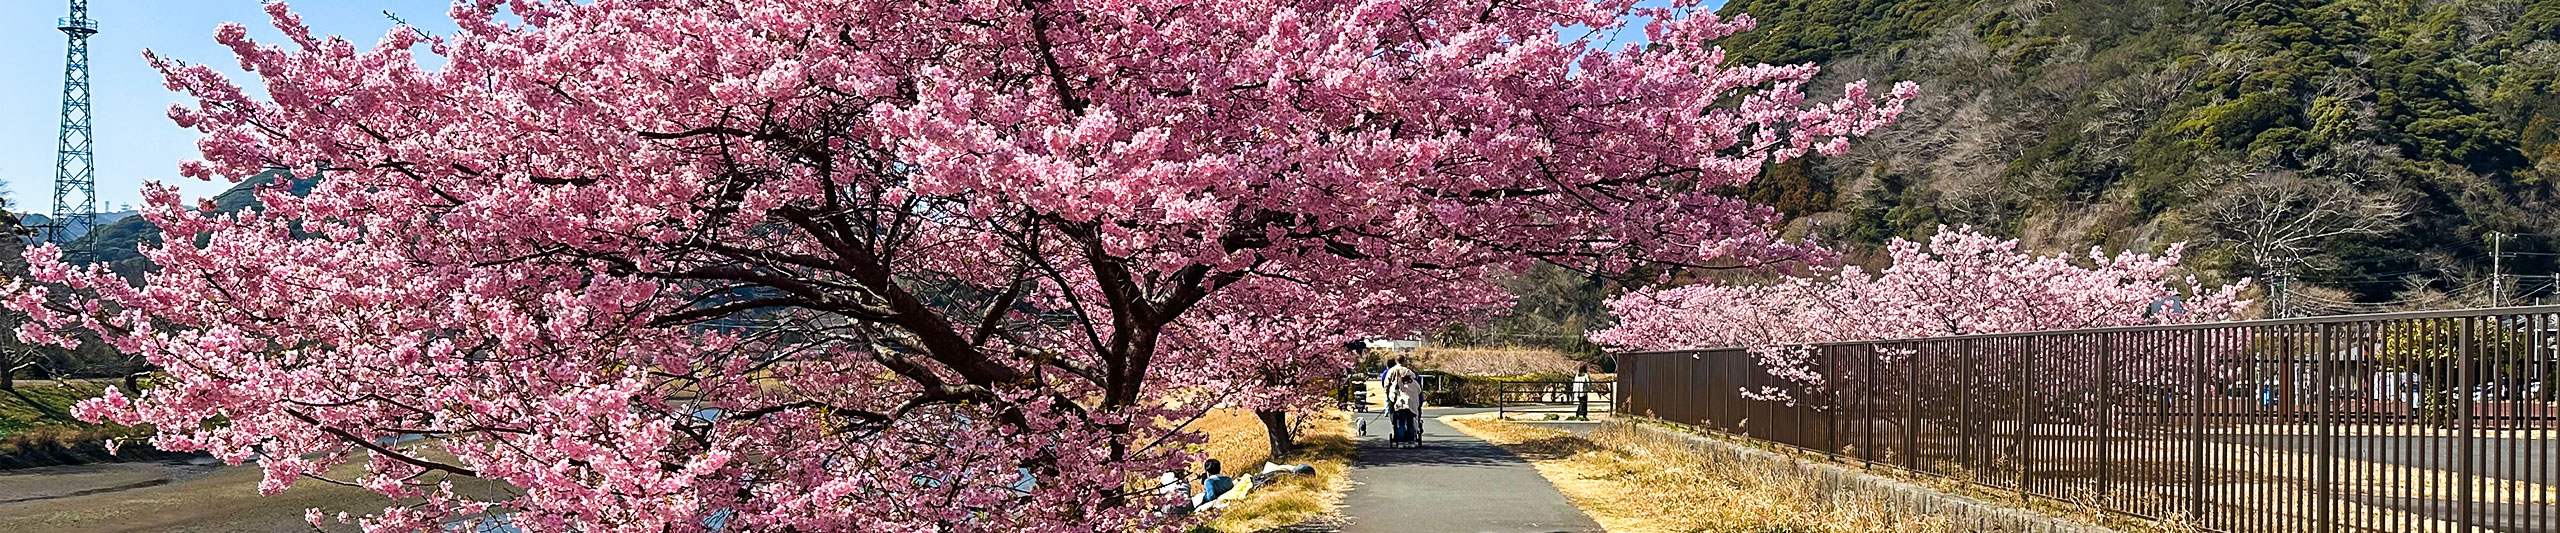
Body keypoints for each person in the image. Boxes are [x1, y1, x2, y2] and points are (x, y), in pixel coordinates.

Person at [1383, 359, 1422, 447]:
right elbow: (1419, 391)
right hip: (1412, 405)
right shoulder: (1414, 382)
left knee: (1399, 422)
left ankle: (1400, 440)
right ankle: (1411, 441)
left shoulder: (1396, 378)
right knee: (1410, 423)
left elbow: (1386, 384)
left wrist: (1387, 394)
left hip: (1399, 403)